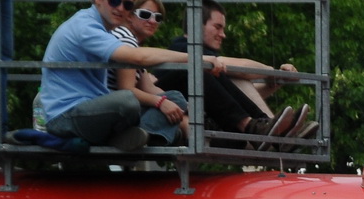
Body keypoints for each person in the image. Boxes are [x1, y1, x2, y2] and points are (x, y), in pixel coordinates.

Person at [36, 0, 255, 150]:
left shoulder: (108, 31)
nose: (121, 7)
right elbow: (136, 60)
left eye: (128, 4)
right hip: (66, 117)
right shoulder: (88, 27)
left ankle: (146, 135)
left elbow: (148, 83)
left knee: (175, 97)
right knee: (128, 100)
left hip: (95, 111)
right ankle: (251, 129)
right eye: (115, 0)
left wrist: (177, 106)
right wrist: (196, 58)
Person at [155, 0, 314, 143]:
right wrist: (272, 72)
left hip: (203, 115)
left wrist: (275, 83)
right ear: (196, 24)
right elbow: (238, 67)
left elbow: (231, 96)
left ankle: (272, 129)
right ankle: (269, 132)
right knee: (217, 71)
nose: (223, 35)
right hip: (169, 108)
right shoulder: (183, 48)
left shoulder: (201, 58)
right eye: (218, 27)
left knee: (236, 78)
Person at [111, 0, 190, 143]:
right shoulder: (126, 40)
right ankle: (145, 134)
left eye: (158, 17)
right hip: (113, 109)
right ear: (129, 16)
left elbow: (149, 87)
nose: (153, 21)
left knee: (176, 99)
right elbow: (126, 90)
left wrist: (185, 106)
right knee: (175, 98)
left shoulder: (134, 43)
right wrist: (162, 103)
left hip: (121, 108)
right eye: (145, 14)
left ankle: (146, 135)